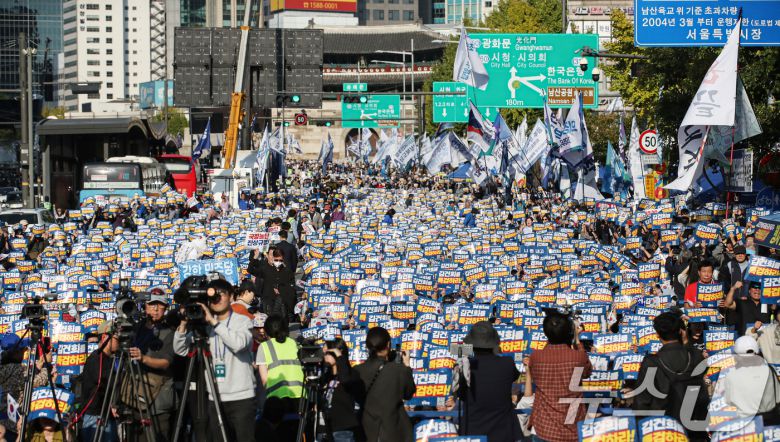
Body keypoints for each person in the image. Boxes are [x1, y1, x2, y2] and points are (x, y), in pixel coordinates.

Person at [173, 279, 256, 442]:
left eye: (221, 294)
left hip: (241, 397)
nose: (217, 299)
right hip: (215, 397)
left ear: (231, 296)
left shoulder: (242, 321)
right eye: (213, 295)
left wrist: (213, 321)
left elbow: (238, 344)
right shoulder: (205, 327)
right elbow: (180, 349)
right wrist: (183, 323)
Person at [632, 312, 709, 438]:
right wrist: (685, 341)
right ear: (681, 331)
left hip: (664, 429)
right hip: (694, 427)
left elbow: (642, 401)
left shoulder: (651, 362)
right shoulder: (695, 355)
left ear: (657, 334)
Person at [528, 312, 592, 442]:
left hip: (544, 427)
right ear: (569, 332)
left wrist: (554, 335)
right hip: (572, 427)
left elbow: (535, 375)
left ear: (546, 333)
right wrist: (577, 340)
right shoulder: (578, 357)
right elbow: (587, 372)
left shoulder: (536, 357)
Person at [454, 321, 522, 441]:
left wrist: (463, 355)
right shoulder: (507, 363)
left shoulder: (465, 366)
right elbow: (514, 376)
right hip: (503, 432)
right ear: (495, 344)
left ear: (471, 345)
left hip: (473, 431)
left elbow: (460, 394)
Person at [126, 289, 177, 442]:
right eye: (152, 304)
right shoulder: (136, 328)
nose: (155, 309)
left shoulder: (170, 331)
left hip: (159, 400)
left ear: (165, 308)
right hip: (134, 397)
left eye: (159, 305)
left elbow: (166, 363)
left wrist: (143, 358)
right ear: (145, 306)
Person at [353, 327, 416, 442]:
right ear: (388, 345)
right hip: (394, 430)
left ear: (367, 347)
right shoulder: (399, 370)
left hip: (367, 430)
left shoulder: (357, 370)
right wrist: (407, 366)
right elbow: (409, 393)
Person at [714, 335, 780, 425]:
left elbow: (723, 402)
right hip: (769, 423)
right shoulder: (770, 370)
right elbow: (778, 399)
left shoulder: (730, 374)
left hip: (744, 424)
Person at [255, 315, 303, 424]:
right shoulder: (294, 343)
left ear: (267, 330)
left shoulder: (264, 347)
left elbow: (264, 380)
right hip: (300, 395)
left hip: (276, 399)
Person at [77, 321, 119, 442]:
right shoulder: (96, 358)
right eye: (117, 338)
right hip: (95, 417)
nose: (120, 341)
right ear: (105, 337)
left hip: (105, 415)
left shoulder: (111, 358)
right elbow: (106, 382)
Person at [319, 338, 365, 442]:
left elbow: (345, 379)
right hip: (326, 430)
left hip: (343, 430)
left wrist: (339, 357)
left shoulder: (352, 374)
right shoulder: (326, 376)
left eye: (327, 352)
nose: (324, 355)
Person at [248, 248, 296, 322]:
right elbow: (250, 270)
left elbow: (292, 288)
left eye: (280, 260)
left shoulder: (287, 271)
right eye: (276, 260)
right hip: (268, 302)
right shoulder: (265, 269)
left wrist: (281, 289)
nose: (278, 262)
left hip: (282, 304)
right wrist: (255, 257)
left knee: (282, 325)